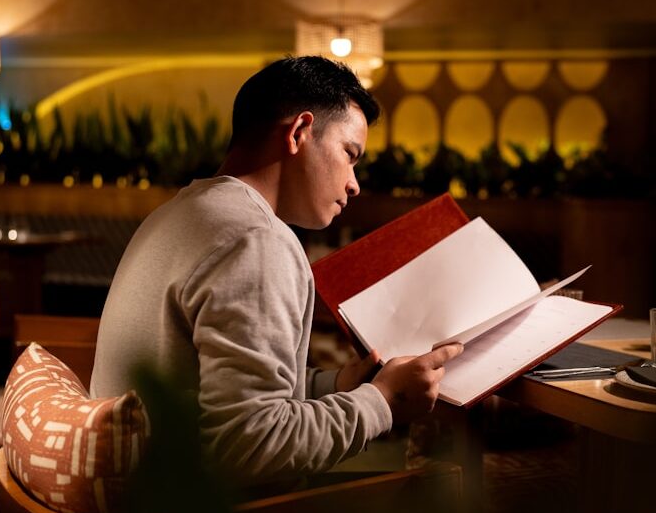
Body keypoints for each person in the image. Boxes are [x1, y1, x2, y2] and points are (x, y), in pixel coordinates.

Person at [89, 56, 463, 489]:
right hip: (197, 512)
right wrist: (385, 400)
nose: (354, 183)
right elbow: (249, 444)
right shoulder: (255, 239)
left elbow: (224, 394)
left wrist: (339, 384)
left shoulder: (176, 214)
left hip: (140, 488)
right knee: (453, 491)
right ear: (300, 132)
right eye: (349, 155)